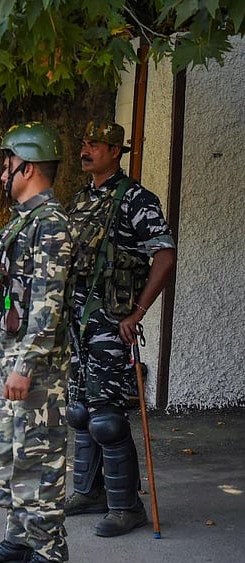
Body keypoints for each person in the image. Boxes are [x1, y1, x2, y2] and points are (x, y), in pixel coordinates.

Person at [0, 122, 72, 563]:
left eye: (6, 164)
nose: (1, 172)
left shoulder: (51, 225)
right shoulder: (23, 221)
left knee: (38, 460)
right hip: (12, 360)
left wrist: (25, 364)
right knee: (7, 455)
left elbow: (47, 303)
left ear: (26, 166)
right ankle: (20, 540)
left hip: (36, 368)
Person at [63, 121, 177, 537]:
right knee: (80, 412)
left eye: (95, 144)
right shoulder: (80, 201)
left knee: (107, 418)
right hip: (78, 324)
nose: (86, 148)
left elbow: (164, 256)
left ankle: (126, 507)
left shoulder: (136, 200)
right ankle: (89, 492)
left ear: (115, 151)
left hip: (112, 323)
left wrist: (138, 312)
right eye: (84, 141)